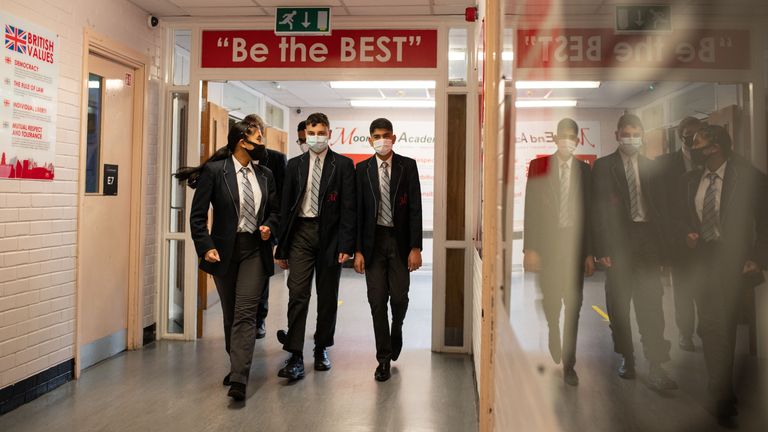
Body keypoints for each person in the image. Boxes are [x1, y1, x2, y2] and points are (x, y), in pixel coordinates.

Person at [177, 120, 280, 401]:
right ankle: (237, 363)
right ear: (242, 142)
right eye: (258, 138)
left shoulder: (266, 175)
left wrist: (270, 226)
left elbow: (275, 211)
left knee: (246, 313)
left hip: (254, 251)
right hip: (223, 252)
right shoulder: (215, 172)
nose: (262, 144)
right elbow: (197, 217)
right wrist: (205, 246)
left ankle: (239, 378)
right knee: (231, 314)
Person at [677, 125, 768, 423]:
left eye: (697, 141)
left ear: (715, 146)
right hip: (701, 261)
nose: (691, 145)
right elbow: (682, 218)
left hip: (733, 262)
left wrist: (758, 257)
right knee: (709, 326)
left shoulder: (749, 177)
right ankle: (720, 383)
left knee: (722, 325)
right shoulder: (691, 180)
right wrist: (687, 235)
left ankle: (722, 393)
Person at [591, 113, 676, 391]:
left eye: (635, 133)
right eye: (626, 133)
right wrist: (601, 249)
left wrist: (664, 253)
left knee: (651, 304)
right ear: (616, 135)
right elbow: (597, 210)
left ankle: (656, 363)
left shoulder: (653, 167)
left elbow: (663, 210)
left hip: (648, 242)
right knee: (619, 306)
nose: (631, 138)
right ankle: (627, 357)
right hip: (617, 245)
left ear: (642, 134)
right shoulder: (603, 167)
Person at [274, 112, 356, 380]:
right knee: (298, 293)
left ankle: (321, 347)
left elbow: (348, 208)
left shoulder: (343, 165)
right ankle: (295, 353)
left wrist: (346, 244)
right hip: (300, 233)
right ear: (305, 135)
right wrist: (281, 247)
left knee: (327, 295)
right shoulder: (295, 165)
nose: (316, 138)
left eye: (321, 133)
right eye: (311, 133)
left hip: (330, 236)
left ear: (329, 134)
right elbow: (285, 208)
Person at [523, 118, 593, 386]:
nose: (567, 141)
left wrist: (589, 253)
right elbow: (531, 208)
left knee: (573, 306)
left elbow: (590, 214)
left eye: (572, 137)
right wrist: (530, 248)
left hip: (574, 246)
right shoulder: (539, 166)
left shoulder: (585, 171)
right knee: (552, 301)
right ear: (555, 138)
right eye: (563, 136)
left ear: (577, 141)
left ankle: (570, 363)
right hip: (548, 247)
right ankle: (553, 329)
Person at [354, 118, 423, 382]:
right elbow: (358, 213)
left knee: (399, 297)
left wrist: (415, 247)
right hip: (373, 243)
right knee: (376, 301)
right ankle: (383, 358)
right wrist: (357, 250)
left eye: (385, 135)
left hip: (400, 241)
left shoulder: (408, 166)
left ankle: (398, 326)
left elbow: (415, 208)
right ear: (370, 140)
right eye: (376, 136)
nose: (381, 140)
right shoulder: (362, 170)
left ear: (393, 138)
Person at [656, 116, 703, 352]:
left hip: (707, 236)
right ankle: (685, 333)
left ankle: (707, 329)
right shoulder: (665, 163)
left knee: (707, 286)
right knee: (683, 289)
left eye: (697, 133)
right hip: (679, 234)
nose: (692, 137)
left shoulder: (709, 158)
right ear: (680, 135)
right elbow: (662, 206)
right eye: (688, 133)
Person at [244, 114, 287, 339]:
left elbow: (282, 197)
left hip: (266, 227)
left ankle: (259, 318)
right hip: (241, 229)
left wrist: (275, 229)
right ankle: (244, 320)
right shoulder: (233, 158)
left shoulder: (277, 160)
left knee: (261, 274)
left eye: (258, 134)